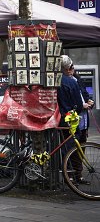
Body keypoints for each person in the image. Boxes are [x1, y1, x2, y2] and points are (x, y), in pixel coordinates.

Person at [57, 55, 89, 185]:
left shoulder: (54, 81)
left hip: (60, 118)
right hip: (72, 119)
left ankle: (72, 175)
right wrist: (82, 105)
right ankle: (69, 175)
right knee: (71, 148)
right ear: (68, 68)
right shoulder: (71, 82)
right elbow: (78, 103)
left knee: (67, 147)